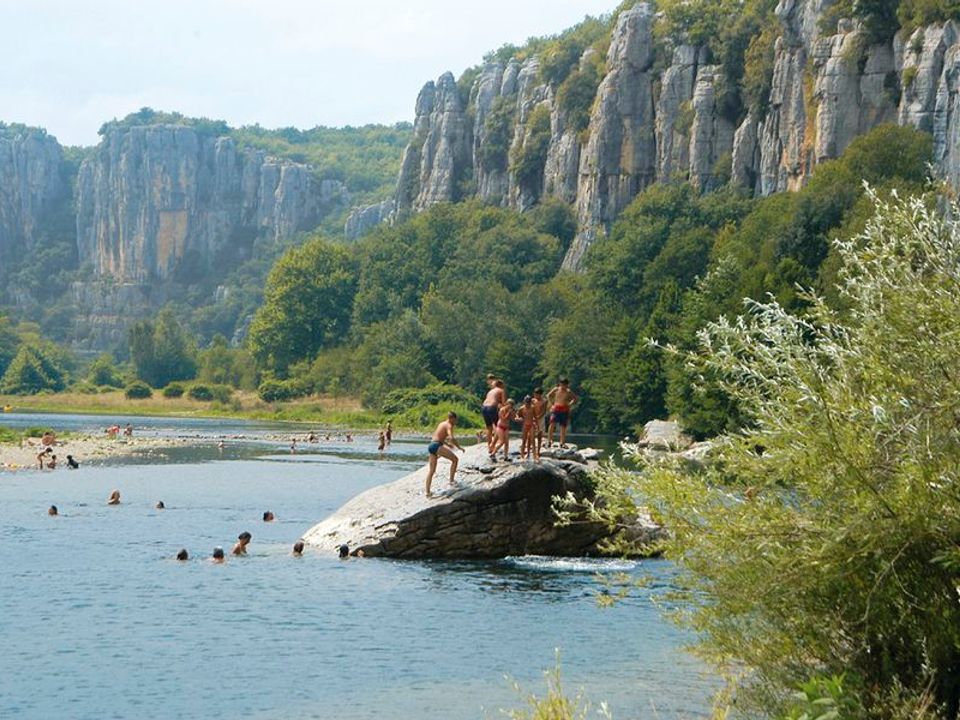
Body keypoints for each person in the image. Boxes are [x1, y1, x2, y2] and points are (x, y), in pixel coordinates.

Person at [424, 411, 464, 497]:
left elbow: (437, 437)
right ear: (451, 419)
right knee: (455, 460)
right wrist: (459, 447)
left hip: (431, 445)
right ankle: (452, 481)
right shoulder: (449, 425)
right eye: (455, 420)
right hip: (436, 446)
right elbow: (451, 437)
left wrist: (447, 444)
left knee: (432, 471)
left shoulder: (442, 424)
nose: (456, 422)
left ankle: (427, 492)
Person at [546, 378, 579, 448]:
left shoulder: (568, 391)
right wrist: (552, 404)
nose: (563, 386)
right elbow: (548, 395)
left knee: (563, 426)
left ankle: (562, 442)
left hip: (564, 410)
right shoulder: (556, 389)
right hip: (556, 408)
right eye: (562, 384)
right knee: (552, 424)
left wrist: (570, 404)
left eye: (565, 385)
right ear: (560, 384)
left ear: (567, 385)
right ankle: (549, 440)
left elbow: (575, 398)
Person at [481, 375, 506, 453]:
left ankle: (489, 446)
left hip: (484, 407)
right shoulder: (501, 390)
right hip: (491, 407)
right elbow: (503, 403)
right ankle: (493, 445)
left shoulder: (490, 391)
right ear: (501, 385)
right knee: (499, 427)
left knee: (489, 428)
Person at [516, 396, 538, 461]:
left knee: (532, 440)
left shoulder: (533, 407)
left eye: (528, 402)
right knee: (524, 440)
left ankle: (534, 456)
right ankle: (522, 456)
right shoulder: (522, 408)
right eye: (526, 402)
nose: (527, 404)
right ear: (524, 402)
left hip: (531, 425)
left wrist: (537, 426)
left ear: (530, 402)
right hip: (525, 425)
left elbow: (535, 416)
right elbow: (517, 414)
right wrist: (518, 418)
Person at [531, 388, 547, 460]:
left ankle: (538, 451)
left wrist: (537, 418)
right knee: (531, 435)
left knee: (539, 435)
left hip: (540, 419)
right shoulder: (533, 400)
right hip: (533, 418)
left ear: (540, 394)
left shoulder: (544, 401)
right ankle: (532, 450)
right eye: (535, 394)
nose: (535, 396)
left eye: (537, 394)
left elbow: (543, 411)